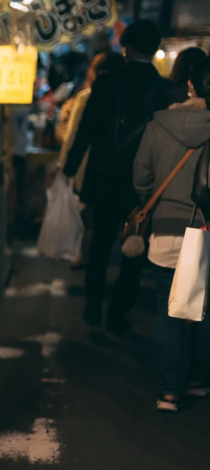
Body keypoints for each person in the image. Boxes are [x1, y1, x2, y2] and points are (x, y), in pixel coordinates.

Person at [64, 21, 170, 332]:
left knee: (100, 243)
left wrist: (70, 168)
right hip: (143, 183)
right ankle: (118, 312)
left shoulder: (107, 83)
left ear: (127, 46)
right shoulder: (163, 88)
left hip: (104, 175)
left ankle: (93, 303)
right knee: (134, 246)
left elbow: (87, 130)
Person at [133, 55, 210, 412]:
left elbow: (141, 178)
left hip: (164, 229)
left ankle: (169, 392)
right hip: (203, 229)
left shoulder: (157, 125)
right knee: (200, 310)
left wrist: (156, 200)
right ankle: (197, 381)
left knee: (168, 312)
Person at [56, 52, 124, 268]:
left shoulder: (87, 96)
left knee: (86, 214)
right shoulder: (126, 96)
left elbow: (75, 134)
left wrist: (65, 165)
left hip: (88, 165)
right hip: (117, 166)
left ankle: (83, 255)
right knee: (102, 217)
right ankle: (94, 255)